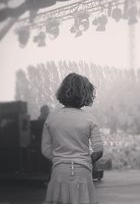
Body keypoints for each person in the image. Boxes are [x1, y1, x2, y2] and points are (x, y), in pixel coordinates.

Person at [42, 73, 104, 204]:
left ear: (63, 92)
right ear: (85, 94)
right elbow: (98, 151)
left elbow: (45, 149)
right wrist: (85, 161)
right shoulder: (90, 119)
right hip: (83, 173)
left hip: (59, 173)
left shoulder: (52, 118)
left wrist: (60, 160)